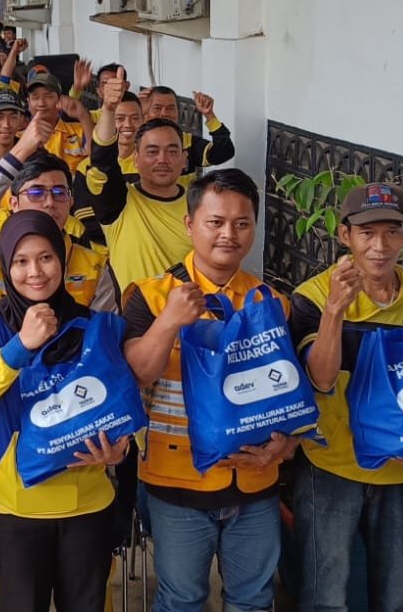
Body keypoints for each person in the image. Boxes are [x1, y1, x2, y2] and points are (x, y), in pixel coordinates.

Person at [122, 170, 298, 612]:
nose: (228, 235)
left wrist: (285, 444)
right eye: (215, 222)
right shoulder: (151, 296)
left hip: (256, 482)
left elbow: (290, 395)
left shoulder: (272, 303)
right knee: (181, 599)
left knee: (253, 600)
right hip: (176, 484)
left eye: (242, 223)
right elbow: (137, 375)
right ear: (189, 224)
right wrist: (169, 321)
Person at [0, 210, 129, 612]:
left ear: (62, 261)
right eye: (21, 260)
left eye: (46, 257)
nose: (35, 271)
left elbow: (119, 400)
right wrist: (19, 347)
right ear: (6, 265)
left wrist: (120, 448)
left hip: (88, 503)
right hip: (16, 507)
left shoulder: (91, 324)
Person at [288, 182, 403, 612]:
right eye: (367, 233)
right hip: (331, 466)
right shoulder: (312, 296)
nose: (380, 246)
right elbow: (321, 380)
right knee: (325, 596)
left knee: (394, 597)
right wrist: (335, 311)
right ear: (345, 235)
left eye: (392, 232)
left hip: (401, 471)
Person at [0, 121, 117, 311]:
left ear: (71, 201)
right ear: (14, 204)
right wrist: (21, 151)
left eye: (59, 193)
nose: (49, 202)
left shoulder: (95, 267)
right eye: (36, 193)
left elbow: (104, 328)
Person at [91, 76, 194, 290]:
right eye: (152, 151)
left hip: (195, 309)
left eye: (172, 151)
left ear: (184, 159)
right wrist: (108, 110)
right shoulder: (118, 205)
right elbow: (103, 161)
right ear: (136, 159)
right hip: (137, 312)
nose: (162, 159)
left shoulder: (200, 205)